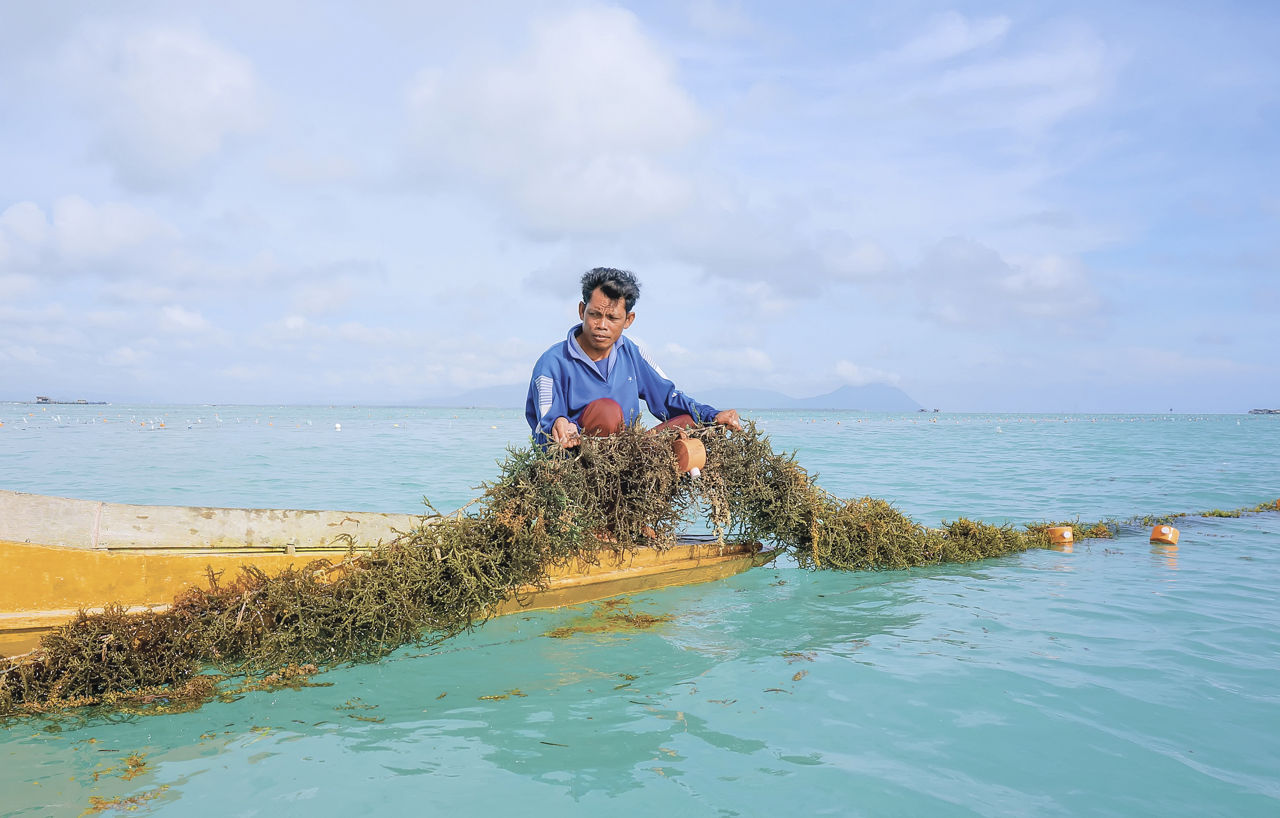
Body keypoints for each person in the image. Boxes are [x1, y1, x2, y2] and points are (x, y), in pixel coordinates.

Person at [526, 267, 741, 447]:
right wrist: (561, 424)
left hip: (627, 456)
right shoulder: (552, 363)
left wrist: (712, 416)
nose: (602, 325)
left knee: (687, 423)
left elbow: (669, 398)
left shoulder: (632, 352)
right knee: (606, 411)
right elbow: (545, 426)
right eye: (594, 314)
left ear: (628, 320)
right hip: (581, 461)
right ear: (582, 310)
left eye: (612, 318)